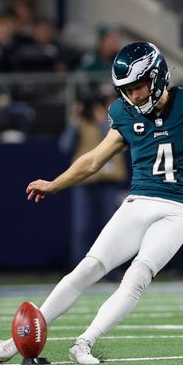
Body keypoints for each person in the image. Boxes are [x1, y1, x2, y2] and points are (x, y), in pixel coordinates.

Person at [0, 41, 183, 364]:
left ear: (158, 76)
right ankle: (24, 337)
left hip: (177, 209)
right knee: (88, 267)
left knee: (137, 276)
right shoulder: (122, 113)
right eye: (128, 89)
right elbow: (93, 160)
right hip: (137, 202)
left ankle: (84, 342)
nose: (134, 95)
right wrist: (55, 184)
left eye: (139, 86)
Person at [58, 96, 127, 267]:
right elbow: (64, 146)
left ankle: (110, 270)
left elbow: (113, 140)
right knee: (81, 229)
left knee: (111, 228)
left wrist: (102, 120)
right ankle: (79, 270)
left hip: (109, 183)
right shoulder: (81, 124)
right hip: (85, 183)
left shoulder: (117, 122)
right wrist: (74, 121)